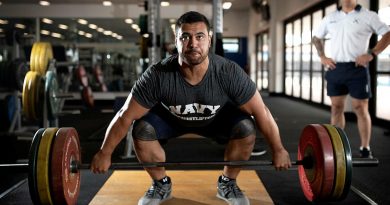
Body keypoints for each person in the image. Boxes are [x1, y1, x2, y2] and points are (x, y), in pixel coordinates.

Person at [91, 11, 291, 205]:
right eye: (185, 37)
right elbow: (125, 115)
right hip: (172, 121)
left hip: (215, 120)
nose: (193, 43)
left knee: (246, 127)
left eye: (200, 36)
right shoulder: (157, 75)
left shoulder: (228, 72)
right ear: (176, 41)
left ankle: (227, 183)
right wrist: (104, 153)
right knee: (142, 129)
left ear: (209, 40)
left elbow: (261, 111)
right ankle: (161, 184)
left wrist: (279, 149)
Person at [312, 0, 390, 158]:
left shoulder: (368, 16)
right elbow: (316, 38)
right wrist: (322, 56)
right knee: (336, 108)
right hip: (336, 68)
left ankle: (365, 148)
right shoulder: (331, 17)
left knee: (360, 108)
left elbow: (387, 34)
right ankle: (337, 147)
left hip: (357, 69)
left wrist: (372, 53)